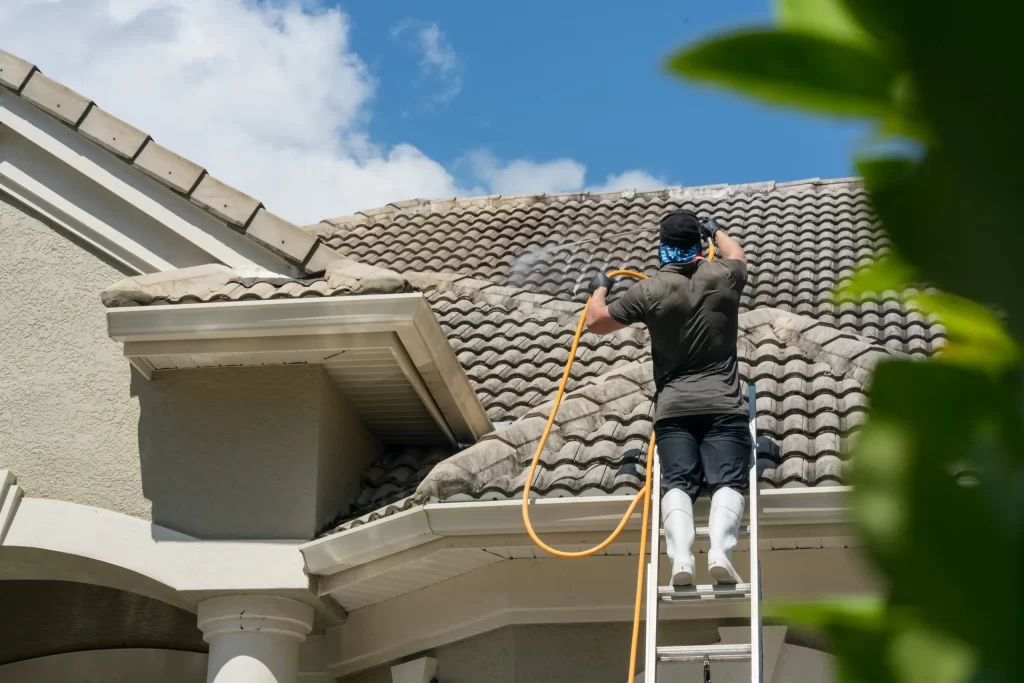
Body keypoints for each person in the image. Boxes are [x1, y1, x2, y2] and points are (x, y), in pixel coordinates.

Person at [583, 209, 751, 586]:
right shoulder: (724, 277)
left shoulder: (649, 290)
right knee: (728, 482)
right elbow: (737, 256)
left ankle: (681, 562)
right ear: (699, 244)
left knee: (678, 483)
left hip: (673, 410)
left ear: (663, 246)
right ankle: (721, 553)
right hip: (724, 404)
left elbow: (595, 322)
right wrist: (718, 231)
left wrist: (600, 287)